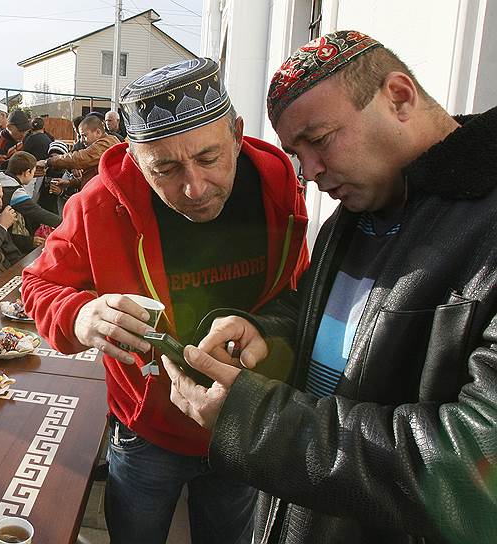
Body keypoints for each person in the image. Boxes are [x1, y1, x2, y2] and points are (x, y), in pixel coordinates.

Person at [162, 31, 497, 544]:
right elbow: (336, 322)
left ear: (399, 96)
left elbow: (477, 461)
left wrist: (257, 423)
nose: (309, 173)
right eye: (296, 153)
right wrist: (264, 329)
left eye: (318, 140)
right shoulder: (354, 212)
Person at [20, 58, 310, 544]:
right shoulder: (98, 204)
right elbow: (38, 286)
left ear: (237, 134)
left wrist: (266, 337)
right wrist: (81, 314)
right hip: (147, 432)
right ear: (133, 158)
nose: (194, 188)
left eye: (210, 158)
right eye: (166, 169)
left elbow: (295, 292)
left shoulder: (277, 186)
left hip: (243, 418)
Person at [0, 151, 62, 254]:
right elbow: (38, 213)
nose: (34, 175)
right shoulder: (14, 191)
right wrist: (66, 223)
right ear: (27, 172)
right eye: (33, 172)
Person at [36, 114, 120, 189]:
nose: (82, 140)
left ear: (98, 132)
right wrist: (69, 183)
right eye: (81, 136)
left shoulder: (106, 144)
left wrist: (49, 162)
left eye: (84, 135)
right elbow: (92, 177)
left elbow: (80, 158)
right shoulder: (106, 143)